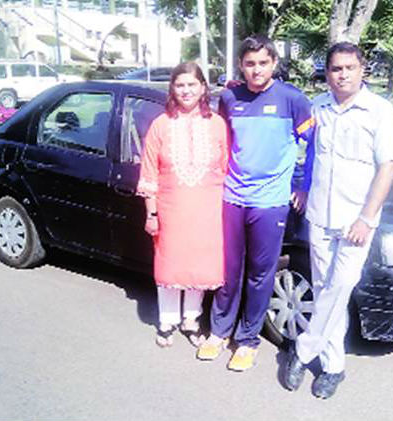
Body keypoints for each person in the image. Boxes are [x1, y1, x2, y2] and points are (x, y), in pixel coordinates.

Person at [283, 42, 393, 398]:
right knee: (324, 290)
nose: (343, 74)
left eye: (350, 67)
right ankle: (334, 368)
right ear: (328, 71)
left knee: (342, 285)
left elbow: (388, 168)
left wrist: (367, 218)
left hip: (356, 221)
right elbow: (309, 155)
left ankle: (303, 350)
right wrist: (302, 188)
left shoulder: (379, 111)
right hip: (320, 216)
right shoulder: (317, 107)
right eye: (336, 68)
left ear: (362, 69)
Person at [197, 34, 315, 371]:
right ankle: (219, 332)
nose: (256, 69)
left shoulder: (292, 99)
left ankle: (247, 340)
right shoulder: (230, 97)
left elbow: (315, 145)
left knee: (260, 275)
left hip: (270, 204)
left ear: (274, 64)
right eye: (250, 63)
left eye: (263, 63)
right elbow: (224, 144)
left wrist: (303, 186)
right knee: (229, 271)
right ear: (240, 65)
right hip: (233, 199)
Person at [137, 62, 228, 348]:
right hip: (170, 210)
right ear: (172, 89)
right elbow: (149, 172)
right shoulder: (160, 126)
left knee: (198, 265)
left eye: (192, 84)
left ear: (203, 87)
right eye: (180, 85)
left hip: (207, 210)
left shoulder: (216, 124)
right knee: (170, 264)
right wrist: (151, 213)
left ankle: (191, 319)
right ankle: (167, 321)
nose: (186, 90)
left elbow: (225, 167)